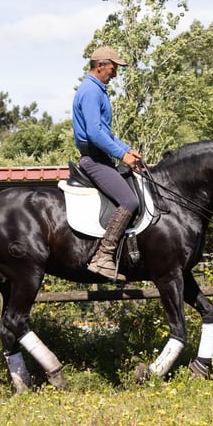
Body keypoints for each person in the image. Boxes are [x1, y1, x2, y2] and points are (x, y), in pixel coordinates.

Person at [72, 46, 143, 281]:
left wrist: (126, 149)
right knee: (129, 200)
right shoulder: (91, 91)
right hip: (94, 159)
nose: (115, 74)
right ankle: (103, 256)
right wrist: (122, 156)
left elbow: (106, 133)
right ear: (100, 65)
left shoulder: (98, 90)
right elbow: (94, 133)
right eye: (113, 68)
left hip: (101, 156)